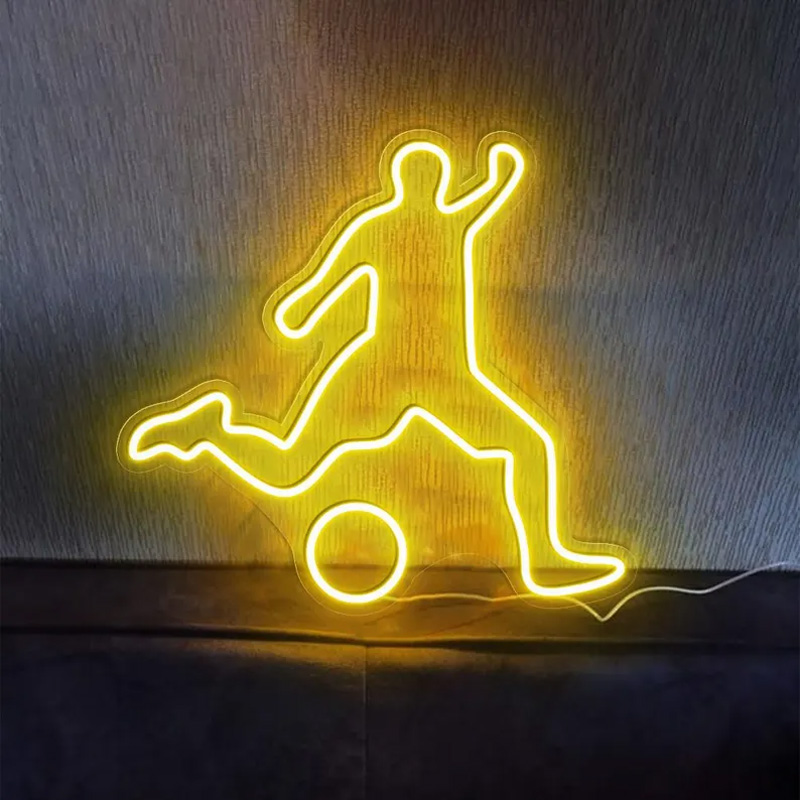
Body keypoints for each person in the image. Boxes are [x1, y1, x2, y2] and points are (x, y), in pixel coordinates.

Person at [125, 133, 625, 597]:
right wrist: (298, 310)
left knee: (529, 445)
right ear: (400, 181)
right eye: (418, 175)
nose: (426, 184)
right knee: (293, 467)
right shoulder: (377, 227)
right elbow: (317, 285)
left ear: (439, 184)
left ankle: (545, 558)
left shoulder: (450, 222)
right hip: (378, 375)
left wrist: (501, 170)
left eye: (433, 177)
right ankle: (210, 430)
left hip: (447, 379)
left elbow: (489, 196)